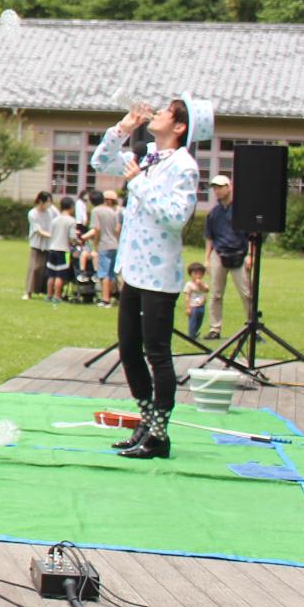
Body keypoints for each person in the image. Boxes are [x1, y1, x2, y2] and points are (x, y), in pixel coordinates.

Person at [91, 96, 203, 460]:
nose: (157, 113)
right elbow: (101, 161)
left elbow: (175, 216)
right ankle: (147, 420)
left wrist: (138, 183)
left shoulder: (184, 166)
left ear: (180, 126)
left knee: (157, 354)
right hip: (133, 269)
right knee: (128, 349)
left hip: (159, 275)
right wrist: (124, 126)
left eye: (167, 111)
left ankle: (159, 435)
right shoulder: (149, 154)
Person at [202, 173, 253, 342]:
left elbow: (251, 235)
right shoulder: (214, 213)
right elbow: (210, 238)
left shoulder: (241, 211)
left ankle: (252, 327)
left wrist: (250, 255)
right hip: (219, 254)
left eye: (219, 187)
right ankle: (215, 328)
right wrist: (207, 259)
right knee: (216, 294)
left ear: (229, 187)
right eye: (214, 188)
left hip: (239, 253)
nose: (216, 191)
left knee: (246, 294)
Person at [44, 196, 78, 303]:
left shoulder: (54, 220)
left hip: (52, 248)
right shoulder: (71, 221)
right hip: (63, 250)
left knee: (51, 274)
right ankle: (57, 296)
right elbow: (72, 237)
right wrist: (76, 242)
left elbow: (51, 234)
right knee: (60, 275)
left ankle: (49, 295)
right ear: (71, 207)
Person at [92, 189, 123, 306]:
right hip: (115, 244)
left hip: (104, 244)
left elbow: (97, 229)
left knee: (103, 273)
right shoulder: (114, 212)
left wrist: (95, 244)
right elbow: (117, 229)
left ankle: (105, 299)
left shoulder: (96, 211)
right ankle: (110, 296)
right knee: (111, 274)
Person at [24, 190, 55, 300]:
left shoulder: (51, 211)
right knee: (35, 268)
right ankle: (28, 292)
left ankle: (46, 291)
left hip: (49, 245)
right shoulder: (33, 213)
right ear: (41, 201)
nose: (49, 204)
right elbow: (38, 230)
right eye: (47, 202)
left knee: (47, 269)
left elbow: (58, 218)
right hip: (37, 244)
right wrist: (52, 235)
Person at [185, 261, 210, 339]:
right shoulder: (189, 284)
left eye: (200, 273)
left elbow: (206, 290)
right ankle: (191, 335)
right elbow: (187, 297)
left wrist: (201, 284)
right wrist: (188, 307)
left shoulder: (203, 283)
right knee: (193, 321)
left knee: (199, 320)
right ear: (190, 274)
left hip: (201, 305)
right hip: (193, 306)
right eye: (195, 273)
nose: (198, 275)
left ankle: (195, 332)